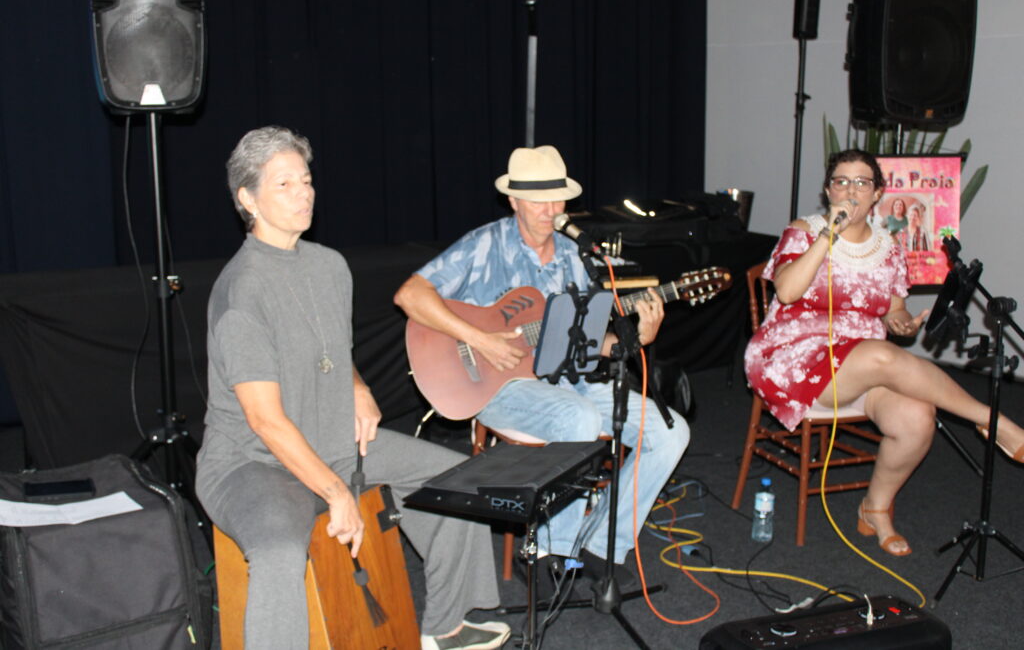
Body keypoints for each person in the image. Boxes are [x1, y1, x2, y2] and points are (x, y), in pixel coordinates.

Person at [195, 127, 510, 650]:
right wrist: (336, 492)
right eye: (284, 184)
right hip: (252, 463)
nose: (304, 193)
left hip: (332, 437)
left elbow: (332, 352)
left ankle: (447, 626)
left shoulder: (329, 266)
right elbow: (265, 421)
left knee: (457, 480)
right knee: (278, 552)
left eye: (307, 179)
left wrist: (358, 386)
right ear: (246, 199)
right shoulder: (242, 292)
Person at [393, 145, 690, 578]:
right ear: (513, 200)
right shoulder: (484, 244)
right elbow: (410, 295)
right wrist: (481, 339)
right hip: (497, 384)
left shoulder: (576, 256)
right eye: (537, 199)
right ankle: (549, 552)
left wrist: (637, 338)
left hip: (570, 381)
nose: (550, 210)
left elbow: (586, 341)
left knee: (671, 432)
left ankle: (603, 548)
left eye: (557, 198)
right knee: (579, 417)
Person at [744, 148, 1023, 557]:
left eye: (862, 182)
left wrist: (902, 323)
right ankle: (991, 420)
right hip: (795, 358)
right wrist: (828, 236)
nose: (851, 190)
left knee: (917, 417)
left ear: (877, 194)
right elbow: (786, 291)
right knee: (880, 355)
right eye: (841, 181)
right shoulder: (804, 231)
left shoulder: (889, 248)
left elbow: (893, 309)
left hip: (863, 364)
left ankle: (874, 508)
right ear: (828, 189)